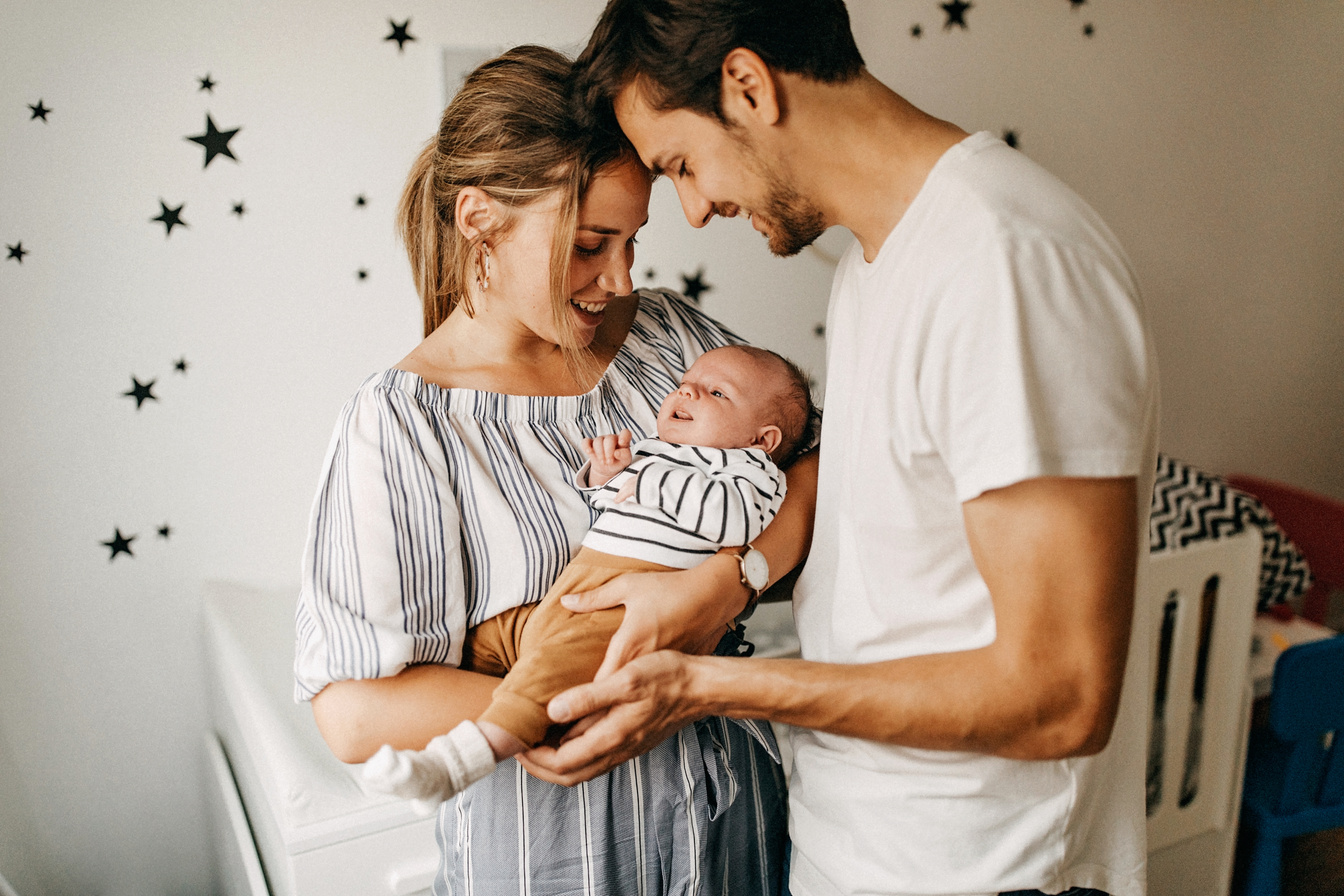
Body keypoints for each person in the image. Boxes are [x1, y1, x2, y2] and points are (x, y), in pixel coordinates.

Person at [527, 4, 1162, 896]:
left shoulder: (1005, 263)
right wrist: (731, 575)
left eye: (681, 164)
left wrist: (708, 685)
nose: (697, 209)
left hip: (983, 869)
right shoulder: (877, 261)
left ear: (749, 86)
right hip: (865, 844)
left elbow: (1061, 696)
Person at [294, 45, 817, 895]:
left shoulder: (669, 338)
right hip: (560, 856)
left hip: (738, 820)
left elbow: (810, 462)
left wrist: (731, 582)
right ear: (478, 220)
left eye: (631, 241)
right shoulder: (403, 426)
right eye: (588, 245)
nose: (620, 278)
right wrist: (627, 691)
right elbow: (355, 714)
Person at [360, 344, 819, 805]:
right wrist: (606, 475)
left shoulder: (752, 474)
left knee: (547, 673)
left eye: (716, 392)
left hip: (625, 609)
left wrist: (648, 478)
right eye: (685, 383)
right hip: (575, 591)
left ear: (763, 440)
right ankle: (425, 737)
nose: (688, 392)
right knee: (487, 637)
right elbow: (611, 503)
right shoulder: (656, 452)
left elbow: (729, 522)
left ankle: (455, 765)